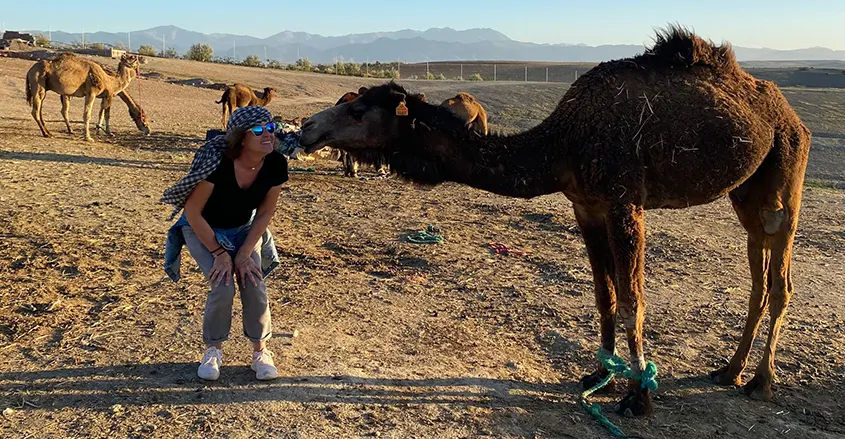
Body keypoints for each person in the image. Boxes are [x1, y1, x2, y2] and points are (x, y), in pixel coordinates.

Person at [161, 106, 288, 381]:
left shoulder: (276, 163)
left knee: (254, 281)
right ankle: (213, 350)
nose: (267, 134)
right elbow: (193, 213)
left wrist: (244, 253)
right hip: (202, 229)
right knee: (223, 284)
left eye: (270, 128)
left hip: (243, 229)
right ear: (242, 138)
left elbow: (265, 212)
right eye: (258, 130)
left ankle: (260, 352)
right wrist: (220, 253)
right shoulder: (218, 164)